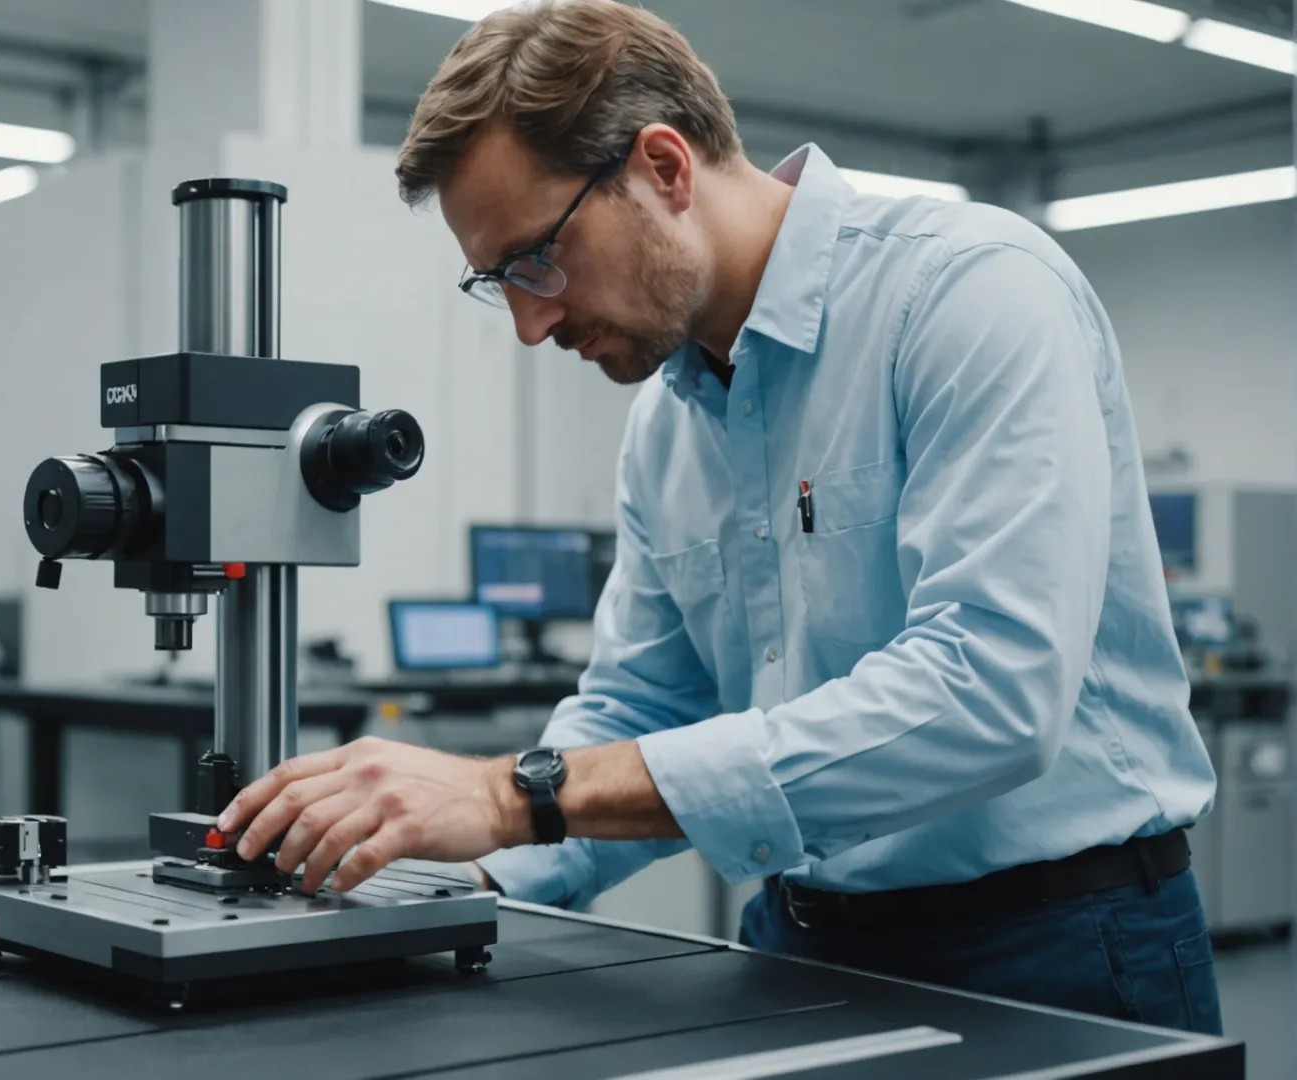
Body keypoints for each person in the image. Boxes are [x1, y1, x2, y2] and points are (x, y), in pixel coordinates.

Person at [214, 0, 1222, 1035]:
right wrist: (453, 879)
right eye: (497, 282)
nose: (528, 323)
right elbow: (645, 706)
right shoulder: (670, 423)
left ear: (662, 167)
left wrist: (516, 792)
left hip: (1057, 941)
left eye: (536, 259)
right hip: (800, 934)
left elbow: (989, 692)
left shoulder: (965, 293)